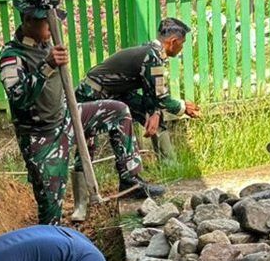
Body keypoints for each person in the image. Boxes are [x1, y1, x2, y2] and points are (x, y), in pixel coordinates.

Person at [0, 0, 162, 225]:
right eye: (47, 21)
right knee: (51, 213)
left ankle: (131, 179)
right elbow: (18, 97)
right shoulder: (12, 55)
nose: (53, 26)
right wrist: (46, 67)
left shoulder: (46, 44)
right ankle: (52, 244)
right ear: (29, 19)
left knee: (118, 112)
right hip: (41, 138)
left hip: (67, 117)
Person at [76, 17, 201, 163]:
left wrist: (154, 112)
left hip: (115, 93)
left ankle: (169, 166)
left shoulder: (152, 52)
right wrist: (183, 107)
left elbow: (151, 91)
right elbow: (162, 98)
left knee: (154, 117)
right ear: (173, 42)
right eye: (182, 43)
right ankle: (82, 175)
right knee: (88, 138)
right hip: (93, 92)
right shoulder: (152, 57)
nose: (182, 48)